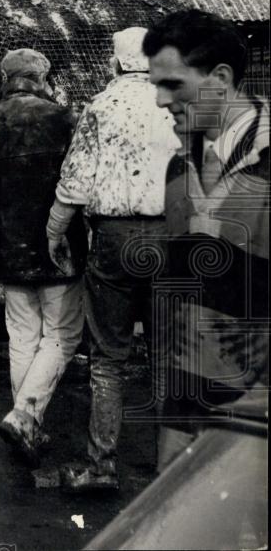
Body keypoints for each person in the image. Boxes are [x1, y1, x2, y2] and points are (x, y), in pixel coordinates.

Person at [47, 27, 180, 491]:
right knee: (168, 354)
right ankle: (174, 467)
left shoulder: (102, 107)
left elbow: (76, 182)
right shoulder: (180, 104)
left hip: (114, 239)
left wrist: (55, 232)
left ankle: (102, 465)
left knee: (107, 359)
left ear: (118, 62)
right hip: (172, 239)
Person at [143, 10, 269, 469]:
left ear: (219, 78)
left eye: (173, 84)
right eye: (156, 85)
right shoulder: (180, 169)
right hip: (192, 408)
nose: (160, 100)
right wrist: (175, 426)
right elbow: (187, 310)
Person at [0, 48, 84, 467]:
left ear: (5, 79)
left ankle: (25, 426)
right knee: (62, 337)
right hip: (59, 249)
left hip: (7, 250)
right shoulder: (64, 120)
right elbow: (78, 188)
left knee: (22, 338)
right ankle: (24, 414)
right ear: (42, 78)